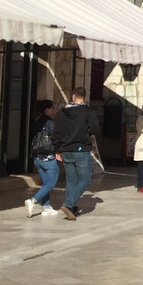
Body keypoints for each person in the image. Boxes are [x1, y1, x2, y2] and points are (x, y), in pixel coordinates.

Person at [51, 86, 99, 220]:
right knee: (85, 179)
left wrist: (57, 149)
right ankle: (69, 203)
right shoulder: (88, 112)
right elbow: (95, 128)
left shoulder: (62, 112)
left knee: (71, 180)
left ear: (73, 96)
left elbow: (56, 133)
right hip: (81, 149)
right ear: (84, 97)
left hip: (65, 150)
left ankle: (71, 208)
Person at [24, 99, 60, 218]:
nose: (54, 110)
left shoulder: (36, 121)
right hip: (48, 157)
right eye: (52, 108)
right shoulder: (50, 122)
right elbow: (56, 138)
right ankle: (33, 201)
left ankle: (46, 207)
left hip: (37, 158)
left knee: (45, 184)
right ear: (47, 110)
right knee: (51, 183)